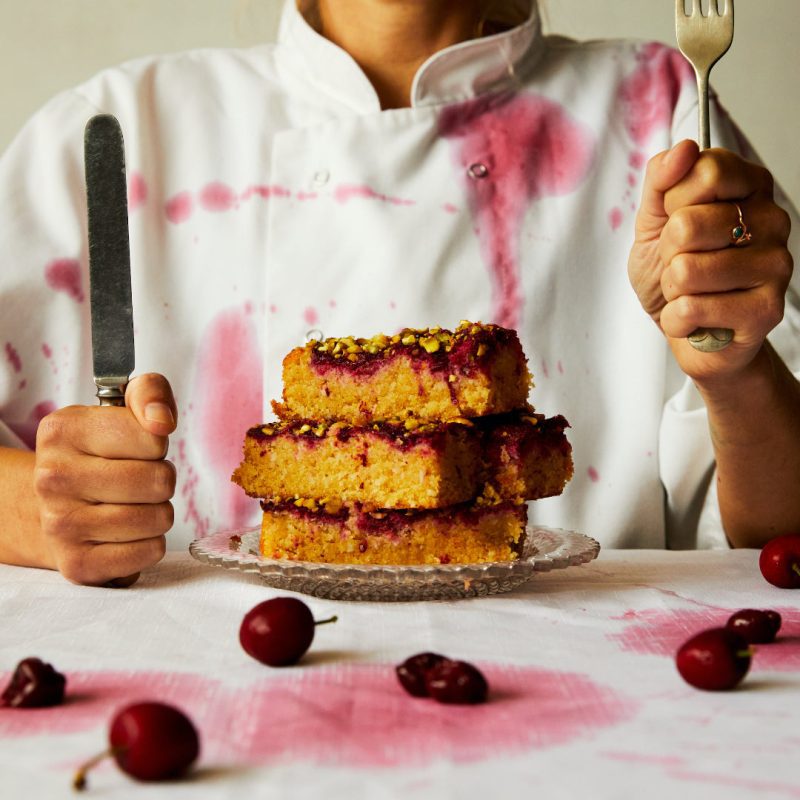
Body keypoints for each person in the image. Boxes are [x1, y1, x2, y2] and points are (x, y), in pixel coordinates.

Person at [0, 0, 797, 586]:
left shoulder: (663, 108)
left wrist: (735, 370)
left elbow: (780, 535)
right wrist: (42, 511)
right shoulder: (114, 127)